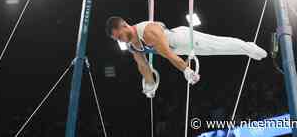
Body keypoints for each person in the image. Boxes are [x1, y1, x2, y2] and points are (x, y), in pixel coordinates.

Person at [105, 17, 267, 97]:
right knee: (216, 48)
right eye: (117, 39)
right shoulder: (133, 46)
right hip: (178, 50)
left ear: (125, 25)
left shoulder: (148, 31)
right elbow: (143, 66)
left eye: (119, 36)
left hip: (183, 39)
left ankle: (248, 47)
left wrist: (187, 71)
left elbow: (167, 54)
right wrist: (150, 85)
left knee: (218, 45)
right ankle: (246, 48)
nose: (120, 40)